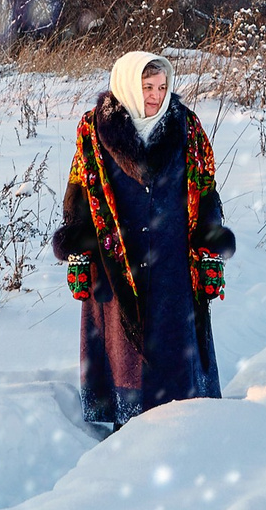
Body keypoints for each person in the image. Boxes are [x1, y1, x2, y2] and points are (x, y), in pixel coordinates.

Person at [50, 52, 235, 429]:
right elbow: (80, 193)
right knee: (123, 353)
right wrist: (78, 249)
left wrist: (211, 244)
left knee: (175, 348)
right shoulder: (94, 129)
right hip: (116, 262)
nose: (155, 95)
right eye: (147, 87)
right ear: (127, 86)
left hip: (174, 261)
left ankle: (183, 431)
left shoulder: (186, 126)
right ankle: (125, 433)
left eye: (162, 87)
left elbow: (205, 188)